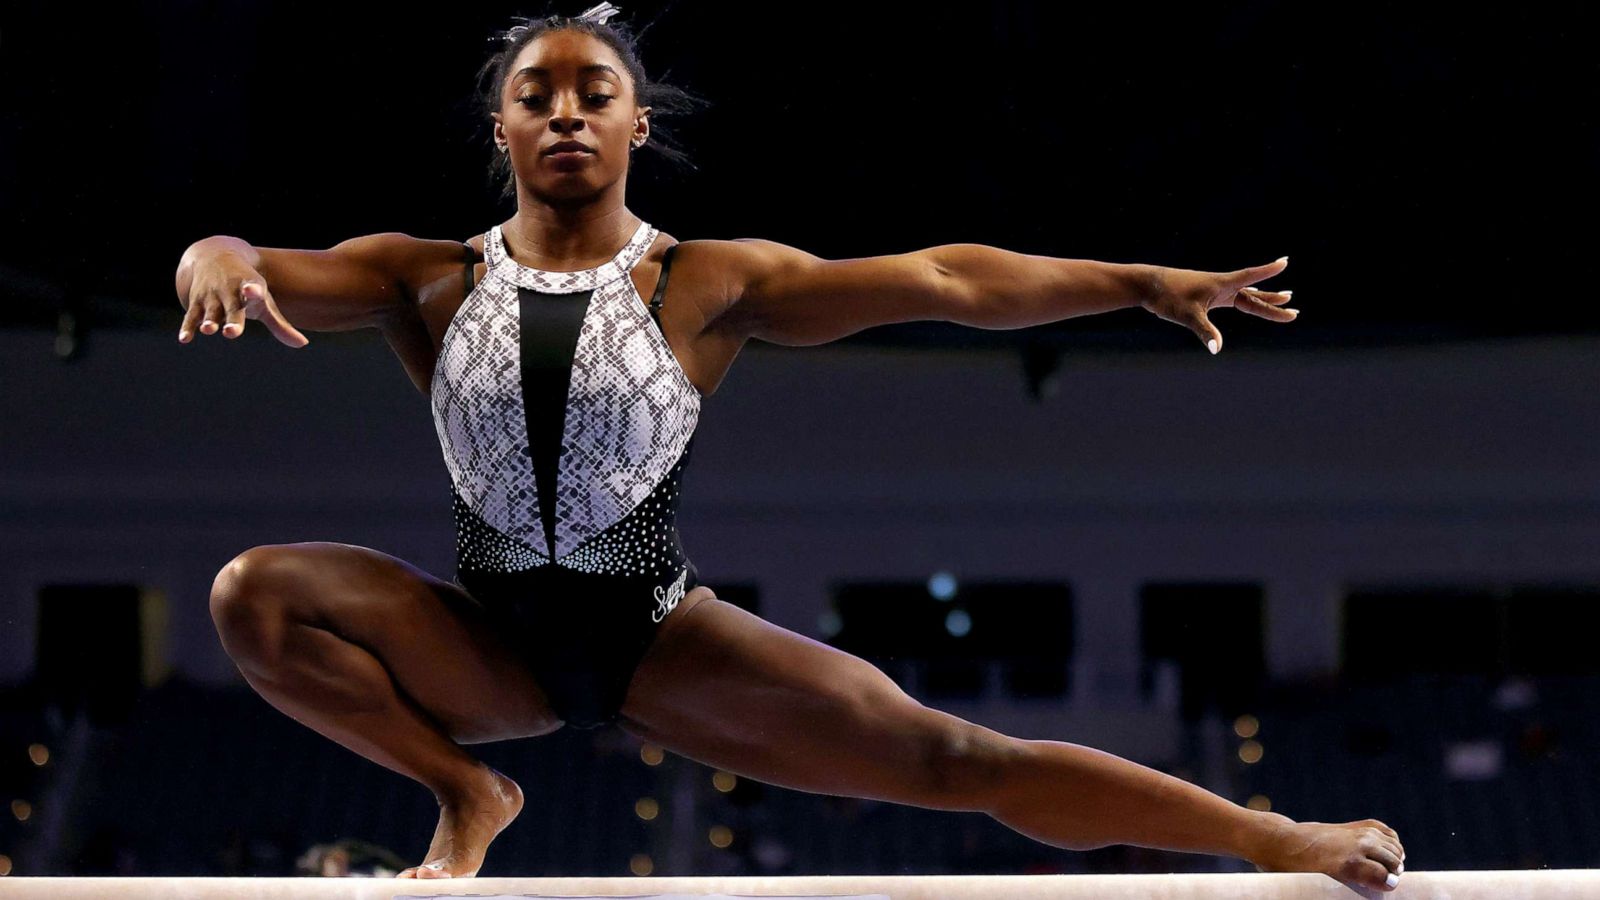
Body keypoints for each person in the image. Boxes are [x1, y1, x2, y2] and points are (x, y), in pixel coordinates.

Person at [173, 3, 1404, 892]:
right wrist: (217, 255)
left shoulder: (705, 281)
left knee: (955, 756)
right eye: (535, 97)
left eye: (591, 94)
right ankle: (465, 791)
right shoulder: (420, 277)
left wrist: (1133, 282)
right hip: (481, 645)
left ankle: (1274, 836)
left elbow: (942, 277)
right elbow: (254, 262)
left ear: (635, 124)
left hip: (659, 636)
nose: (564, 115)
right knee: (257, 596)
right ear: (498, 129)